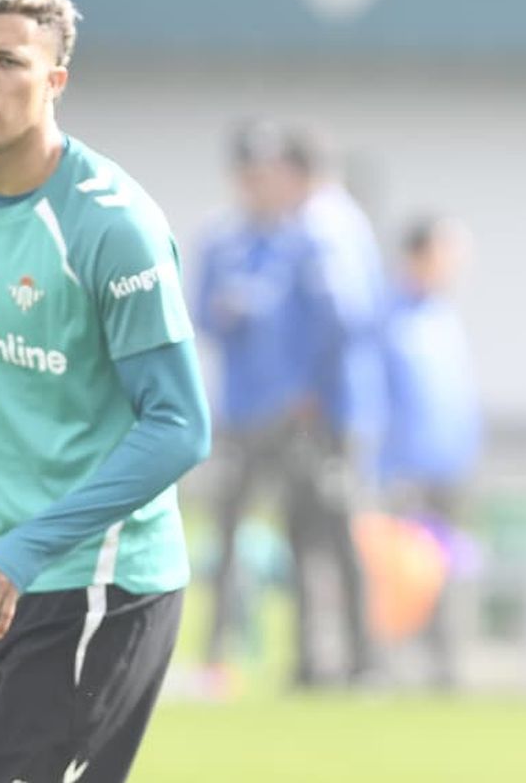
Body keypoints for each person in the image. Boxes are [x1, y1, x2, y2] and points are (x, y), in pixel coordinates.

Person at [0, 0, 211, 780]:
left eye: (7, 61)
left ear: (54, 81)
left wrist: (27, 548)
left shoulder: (111, 227)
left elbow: (179, 426)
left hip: (96, 588)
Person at [192, 121, 318, 695]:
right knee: (227, 533)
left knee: (303, 535)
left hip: (292, 414)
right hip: (239, 411)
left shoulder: (302, 240)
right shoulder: (221, 240)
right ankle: (217, 657)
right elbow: (200, 313)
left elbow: (320, 326)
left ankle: (308, 661)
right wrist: (231, 308)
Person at [287, 133, 388, 687]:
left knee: (320, 530)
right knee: (336, 529)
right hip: (351, 402)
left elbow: (340, 314)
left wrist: (311, 385)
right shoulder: (351, 220)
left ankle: (341, 659)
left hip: (328, 408)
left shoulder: (318, 224)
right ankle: (353, 656)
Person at [377, 215, 483, 689]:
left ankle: (446, 667)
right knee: (403, 574)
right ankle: (392, 666)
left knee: (448, 570)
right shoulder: (388, 316)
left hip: (450, 469)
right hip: (403, 471)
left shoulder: (444, 316)